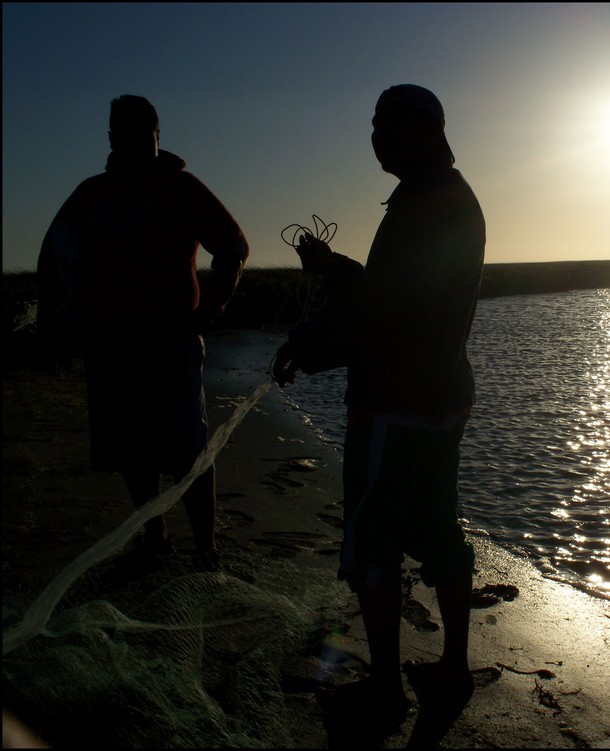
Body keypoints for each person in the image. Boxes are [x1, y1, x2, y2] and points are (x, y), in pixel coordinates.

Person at [273, 84, 485, 736]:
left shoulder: (427, 205)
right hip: (441, 398)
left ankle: (386, 685)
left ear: (424, 131)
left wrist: (311, 343)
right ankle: (453, 665)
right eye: (372, 127)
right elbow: (397, 298)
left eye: (384, 128)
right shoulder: (443, 197)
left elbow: (392, 318)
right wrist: (337, 269)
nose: (374, 139)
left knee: (372, 544)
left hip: (395, 406)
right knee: (437, 528)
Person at [36, 95, 249, 571]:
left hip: (172, 340)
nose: (133, 145)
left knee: (187, 449)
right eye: (123, 136)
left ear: (158, 135)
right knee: (129, 445)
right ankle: (154, 535)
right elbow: (53, 259)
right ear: (111, 139)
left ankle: (205, 545)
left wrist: (208, 312)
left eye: (143, 136)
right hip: (108, 342)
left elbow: (232, 247)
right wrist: (52, 329)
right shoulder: (91, 194)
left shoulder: (182, 188)